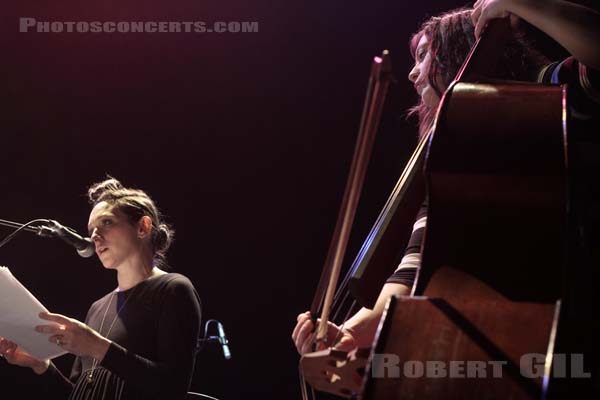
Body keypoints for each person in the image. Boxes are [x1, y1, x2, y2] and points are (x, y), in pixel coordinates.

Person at [293, 0, 599, 356]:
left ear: (460, 52)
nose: (412, 73)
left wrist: (519, 2)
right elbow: (414, 268)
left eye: (424, 54)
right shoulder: (450, 157)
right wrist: (347, 332)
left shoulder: (542, 93)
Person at [0, 177, 202, 399]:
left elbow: (172, 389)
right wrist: (41, 365)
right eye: (91, 229)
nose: (94, 235)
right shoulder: (97, 308)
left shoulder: (173, 289)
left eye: (106, 222)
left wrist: (97, 346)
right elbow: (76, 395)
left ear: (143, 227)